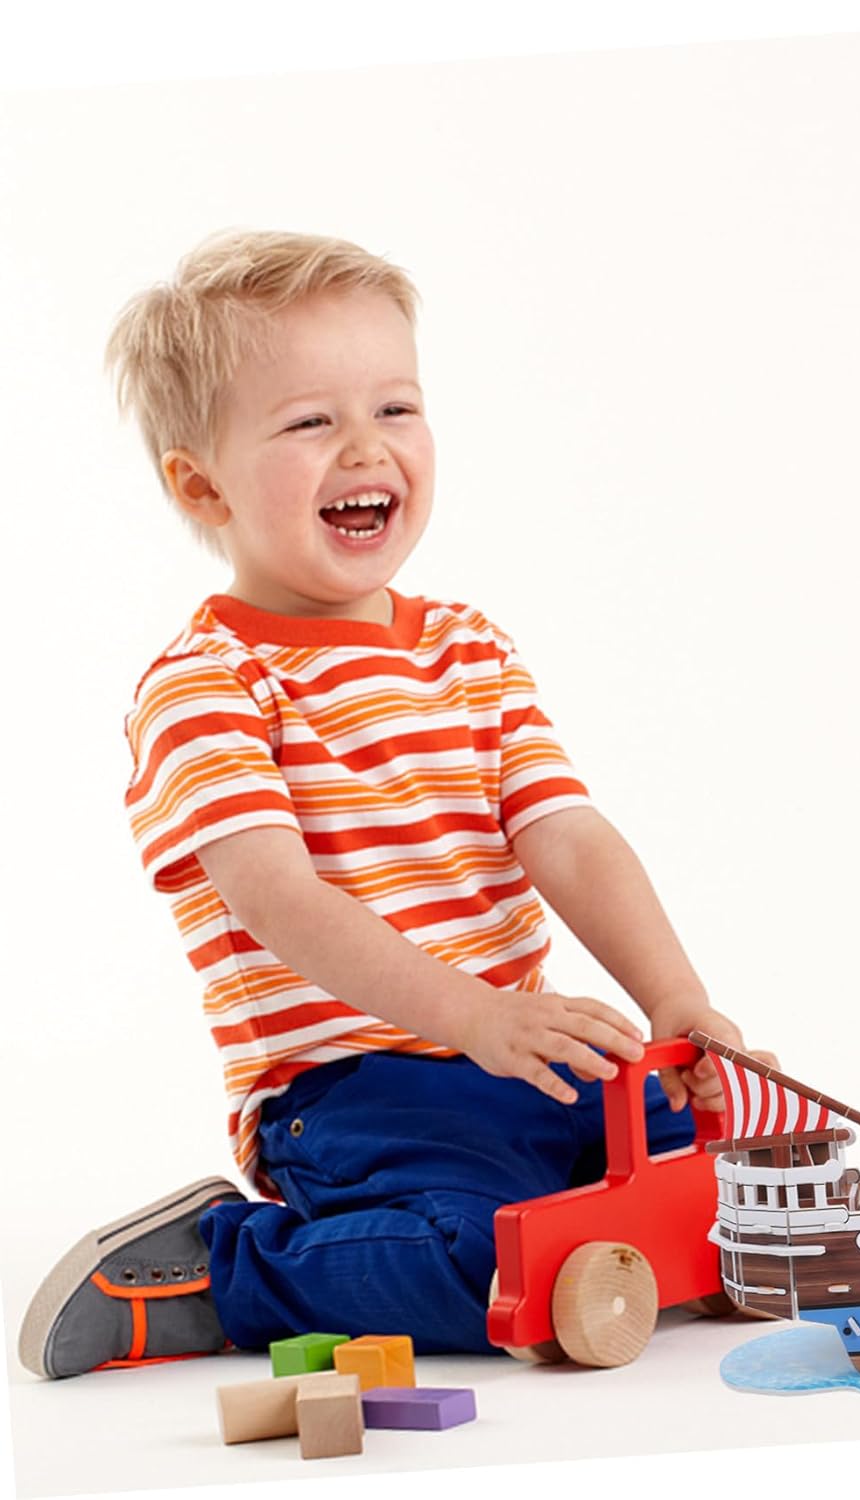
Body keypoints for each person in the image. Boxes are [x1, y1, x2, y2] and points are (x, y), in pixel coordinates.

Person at [18, 229, 772, 1379]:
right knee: (483, 1265)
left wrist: (676, 1001)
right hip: (356, 1093)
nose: (365, 447)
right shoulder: (207, 686)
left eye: (395, 409)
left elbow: (567, 836)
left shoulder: (470, 652)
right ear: (202, 484)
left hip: (528, 1056)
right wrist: (468, 1016)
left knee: (754, 1177)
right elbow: (278, 899)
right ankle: (223, 1270)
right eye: (310, 423)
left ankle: (646, 1242)